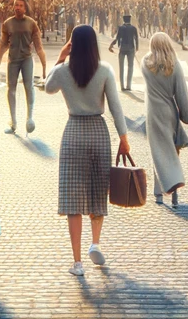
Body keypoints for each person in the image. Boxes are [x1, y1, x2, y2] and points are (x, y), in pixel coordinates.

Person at [45, 25, 129, 276]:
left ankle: (78, 262)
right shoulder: (104, 71)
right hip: (98, 131)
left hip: (73, 132)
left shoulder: (62, 72)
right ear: (94, 45)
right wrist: (124, 138)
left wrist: (60, 57)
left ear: (73, 45)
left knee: (73, 199)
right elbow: (115, 107)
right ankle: (95, 242)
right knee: (97, 190)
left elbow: (48, 88)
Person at [141, 32, 188, 208]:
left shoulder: (145, 63)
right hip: (169, 112)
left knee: (157, 151)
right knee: (173, 150)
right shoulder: (174, 65)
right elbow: (181, 94)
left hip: (153, 113)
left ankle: (158, 193)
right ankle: (174, 194)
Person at [0, 0, 47, 135]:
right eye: (16, 5)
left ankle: (29, 117)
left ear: (25, 8)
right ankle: (13, 123)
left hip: (26, 59)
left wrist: (44, 68)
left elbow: (39, 47)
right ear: (13, 7)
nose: (17, 7)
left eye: (20, 5)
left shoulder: (31, 24)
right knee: (10, 89)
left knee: (28, 87)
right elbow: (2, 45)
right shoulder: (7, 24)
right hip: (13, 60)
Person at [108, 13, 139, 92]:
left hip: (122, 48)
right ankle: (128, 86)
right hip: (131, 48)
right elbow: (136, 39)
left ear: (124, 20)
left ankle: (122, 86)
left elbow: (117, 38)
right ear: (130, 20)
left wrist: (111, 45)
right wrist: (137, 48)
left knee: (121, 68)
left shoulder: (121, 28)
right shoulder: (133, 28)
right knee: (130, 67)